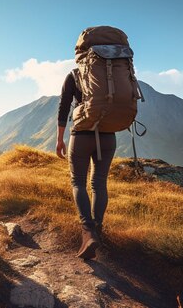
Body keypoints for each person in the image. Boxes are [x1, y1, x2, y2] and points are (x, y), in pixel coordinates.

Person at [56, 69, 117, 259]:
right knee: (99, 183)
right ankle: (97, 229)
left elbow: (64, 107)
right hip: (108, 136)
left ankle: (88, 232)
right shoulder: (114, 73)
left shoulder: (75, 75)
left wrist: (60, 139)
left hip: (82, 136)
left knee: (78, 182)